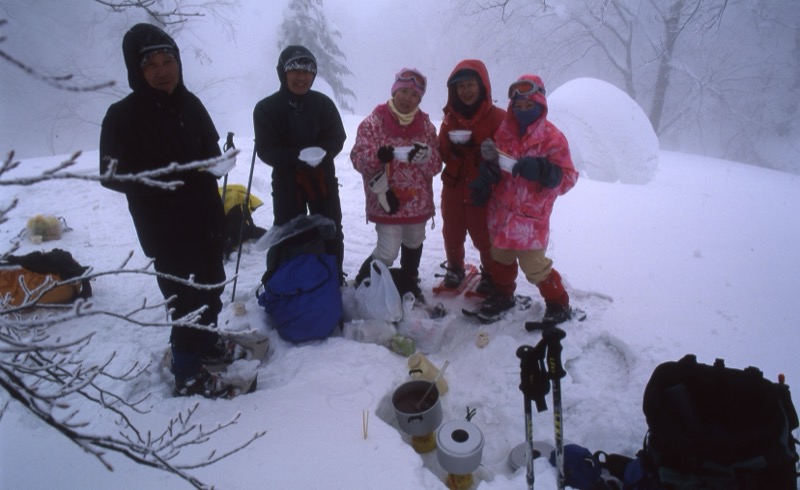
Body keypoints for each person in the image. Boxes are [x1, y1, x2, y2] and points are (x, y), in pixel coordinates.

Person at [99, 24, 241, 397]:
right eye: (152, 65)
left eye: (168, 61)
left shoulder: (191, 103)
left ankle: (207, 343)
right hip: (166, 230)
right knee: (187, 302)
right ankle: (188, 373)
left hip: (207, 219)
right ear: (137, 70)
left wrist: (219, 161)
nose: (163, 70)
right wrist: (166, 176)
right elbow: (111, 174)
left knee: (212, 288)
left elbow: (209, 149)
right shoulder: (123, 115)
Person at [468, 74, 579, 323]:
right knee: (500, 259)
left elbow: (569, 178)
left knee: (535, 267)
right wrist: (488, 172)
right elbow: (497, 166)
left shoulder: (553, 137)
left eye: (529, 106)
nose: (523, 111)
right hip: (500, 215)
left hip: (531, 221)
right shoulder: (504, 132)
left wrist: (543, 170)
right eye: (518, 106)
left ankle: (558, 304)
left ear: (541, 104)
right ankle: (502, 296)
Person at [253, 45, 347, 281]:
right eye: (295, 70)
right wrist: (297, 157)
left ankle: (332, 277)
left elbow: (338, 137)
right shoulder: (266, 108)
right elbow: (266, 149)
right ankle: (288, 280)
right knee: (287, 231)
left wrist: (324, 152)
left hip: (322, 178)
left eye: (308, 72)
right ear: (283, 73)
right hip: (287, 182)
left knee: (331, 229)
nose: (302, 77)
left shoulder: (323, 104)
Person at [350, 68, 442, 300]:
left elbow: (435, 166)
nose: (407, 98)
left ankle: (410, 281)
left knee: (414, 241)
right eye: (403, 91)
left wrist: (426, 158)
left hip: (417, 204)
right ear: (394, 91)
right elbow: (358, 159)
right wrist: (378, 156)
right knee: (387, 251)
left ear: (419, 98)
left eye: (414, 94)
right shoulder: (373, 123)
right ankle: (364, 283)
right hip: (386, 200)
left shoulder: (427, 127)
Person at [438, 60, 508, 295]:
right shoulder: (450, 118)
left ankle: (489, 272)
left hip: (483, 188)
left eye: (470, 85)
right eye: (460, 87)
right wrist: (453, 151)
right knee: (452, 232)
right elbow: (442, 150)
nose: (466, 91)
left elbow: (508, 153)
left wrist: (485, 154)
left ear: (482, 86)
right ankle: (455, 267)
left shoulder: (498, 117)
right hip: (454, 186)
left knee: (484, 235)